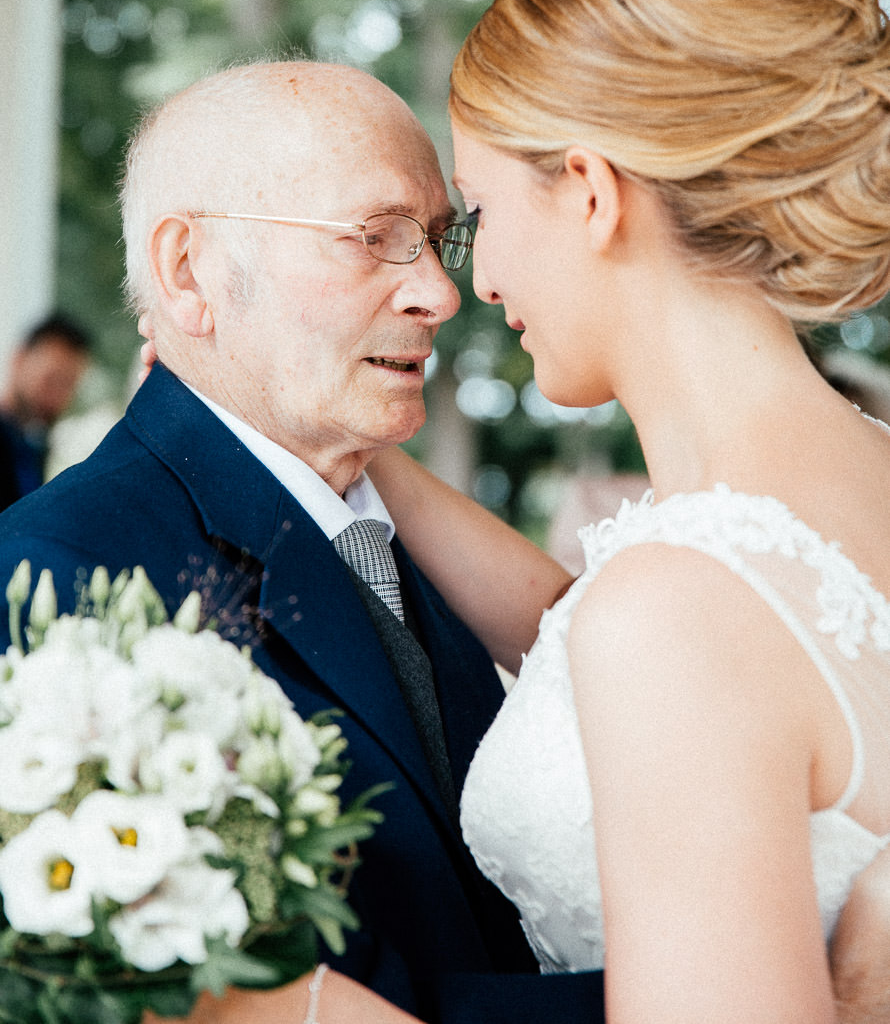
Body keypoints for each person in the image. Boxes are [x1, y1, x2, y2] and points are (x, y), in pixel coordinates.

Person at [361, 0, 890, 1024]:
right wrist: (353, 442)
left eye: (481, 213)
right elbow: (591, 617)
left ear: (593, 194)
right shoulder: (821, 501)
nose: (476, 280)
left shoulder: (674, 617)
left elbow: (674, 640)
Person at [0, 61, 603, 1024]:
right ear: (188, 270)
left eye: (438, 239)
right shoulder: (62, 574)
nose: (441, 294)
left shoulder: (415, 535)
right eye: (376, 238)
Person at [0, 313, 90, 509]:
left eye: (68, 385)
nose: (57, 395)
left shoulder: (33, 446)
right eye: (51, 379)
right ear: (19, 359)